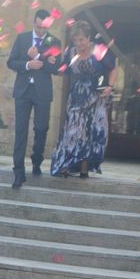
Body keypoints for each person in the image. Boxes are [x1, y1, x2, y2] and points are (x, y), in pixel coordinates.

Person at [50, 21, 117, 179]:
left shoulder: (99, 50)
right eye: (75, 40)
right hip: (77, 96)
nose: (78, 43)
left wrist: (110, 87)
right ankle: (66, 164)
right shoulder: (71, 52)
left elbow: (113, 68)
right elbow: (63, 69)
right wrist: (53, 64)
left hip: (96, 95)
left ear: (89, 38)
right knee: (73, 131)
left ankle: (84, 168)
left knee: (92, 131)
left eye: (81, 40)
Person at [7, 9, 62, 189]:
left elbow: (57, 69)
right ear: (34, 23)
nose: (40, 31)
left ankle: (37, 160)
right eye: (37, 27)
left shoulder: (54, 42)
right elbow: (11, 62)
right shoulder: (22, 39)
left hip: (42, 92)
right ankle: (18, 172)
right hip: (23, 91)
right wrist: (27, 64)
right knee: (21, 131)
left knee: (41, 128)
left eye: (43, 28)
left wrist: (38, 57)